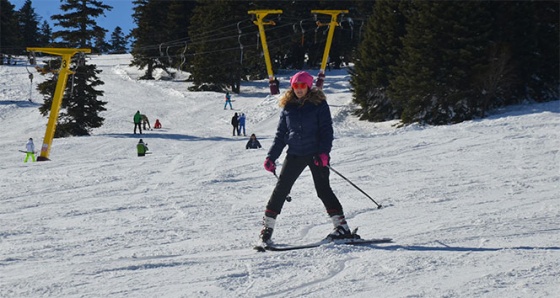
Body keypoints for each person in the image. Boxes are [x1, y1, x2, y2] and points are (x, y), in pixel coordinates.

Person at [259, 71, 358, 245]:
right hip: (295, 154)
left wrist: (324, 154)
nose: (298, 89)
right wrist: (271, 157)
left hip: (315, 155)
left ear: (308, 86)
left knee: (323, 190)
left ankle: (341, 227)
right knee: (281, 189)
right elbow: (281, 134)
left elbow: (326, 131)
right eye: (295, 86)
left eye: (302, 86)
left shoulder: (319, 104)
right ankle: (267, 228)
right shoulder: (288, 107)